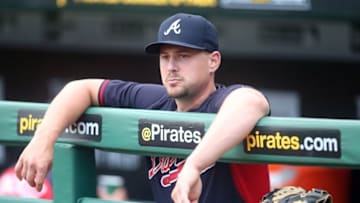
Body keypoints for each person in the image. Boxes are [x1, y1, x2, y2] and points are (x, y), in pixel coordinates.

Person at [14, 13, 270, 203]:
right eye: (165, 56)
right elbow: (81, 89)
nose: (171, 66)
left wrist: (193, 165)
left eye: (183, 56)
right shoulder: (154, 101)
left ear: (213, 61)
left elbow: (252, 102)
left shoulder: (223, 101)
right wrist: (42, 141)